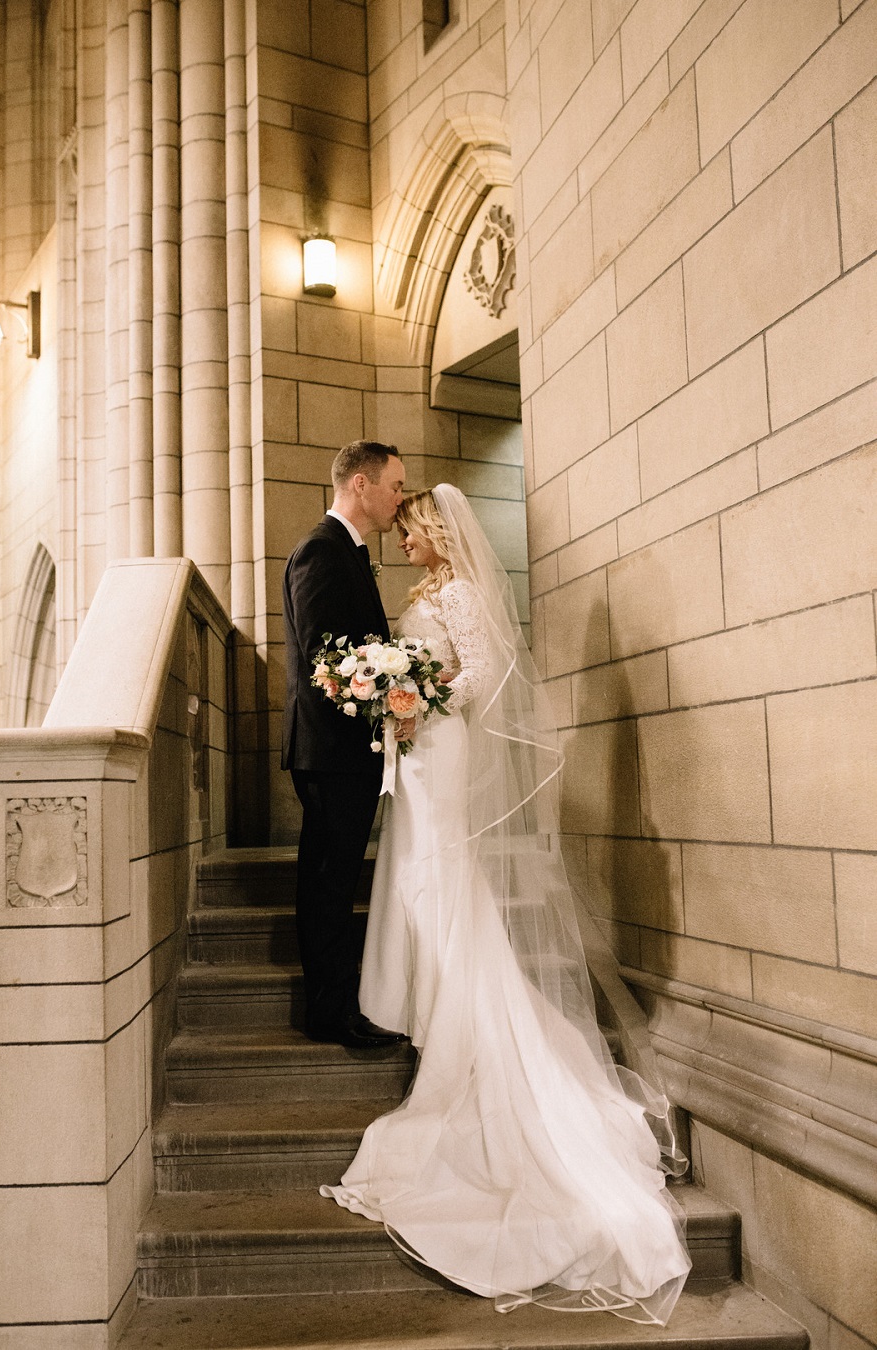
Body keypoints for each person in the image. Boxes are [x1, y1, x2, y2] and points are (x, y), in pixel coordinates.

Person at [320, 484, 692, 1322]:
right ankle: (441, 996)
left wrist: (417, 693)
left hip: (440, 750)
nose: (403, 544)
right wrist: (401, 697)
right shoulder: (429, 592)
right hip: (418, 752)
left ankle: (471, 1021)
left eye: (410, 533)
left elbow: (484, 674)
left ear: (433, 534)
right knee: (425, 883)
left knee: (445, 883)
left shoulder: (456, 592)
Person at [282, 440, 409, 1050]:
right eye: (395, 486)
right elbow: (322, 659)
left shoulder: (350, 553)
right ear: (360, 484)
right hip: (331, 752)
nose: (399, 500)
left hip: (348, 752)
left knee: (334, 880)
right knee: (330, 882)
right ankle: (331, 1012)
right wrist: (387, 690)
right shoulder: (320, 551)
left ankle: (335, 1005)